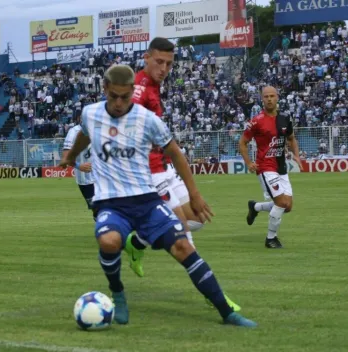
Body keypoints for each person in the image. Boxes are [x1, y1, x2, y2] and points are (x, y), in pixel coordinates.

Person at [59, 65, 256, 328]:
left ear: (132, 92)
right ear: (104, 89)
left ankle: (226, 313)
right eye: (113, 96)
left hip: (147, 202)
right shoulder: (91, 113)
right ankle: (118, 293)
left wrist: (195, 195)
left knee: (183, 246)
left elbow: (175, 153)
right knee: (109, 241)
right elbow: (85, 134)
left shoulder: (147, 119)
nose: (119, 103)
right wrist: (71, 156)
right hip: (110, 203)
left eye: (125, 97)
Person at [131, 37, 240, 311]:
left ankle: (137, 241)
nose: (164, 68)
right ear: (146, 58)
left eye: (169, 63)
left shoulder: (156, 86)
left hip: (165, 168)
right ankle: (213, 295)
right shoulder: (139, 88)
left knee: (198, 220)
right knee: (183, 239)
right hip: (149, 175)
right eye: (159, 62)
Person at [239, 86, 303, 249]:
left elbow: (291, 138)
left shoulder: (284, 119)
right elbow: (243, 143)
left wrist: (296, 155)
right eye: (266, 96)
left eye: (272, 96)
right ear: (262, 99)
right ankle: (270, 239)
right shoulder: (256, 121)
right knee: (281, 202)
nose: (269, 99)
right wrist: (248, 163)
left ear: (277, 97)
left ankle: (255, 207)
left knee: (287, 206)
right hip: (265, 167)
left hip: (281, 167)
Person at [62, 124, 96, 218]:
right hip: (86, 181)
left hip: (103, 177)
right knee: (97, 211)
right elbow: (65, 158)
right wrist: (78, 166)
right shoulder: (74, 132)